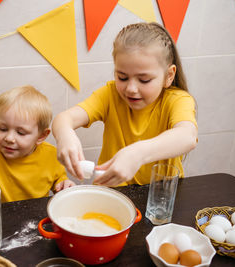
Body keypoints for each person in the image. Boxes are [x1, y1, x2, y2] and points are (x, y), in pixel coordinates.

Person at [52, 22, 198, 187]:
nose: (131, 89)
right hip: (112, 192)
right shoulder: (110, 94)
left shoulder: (177, 100)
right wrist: (65, 135)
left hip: (161, 195)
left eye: (144, 80)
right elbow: (63, 119)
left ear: (169, 76)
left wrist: (138, 153)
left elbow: (188, 136)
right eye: (122, 77)